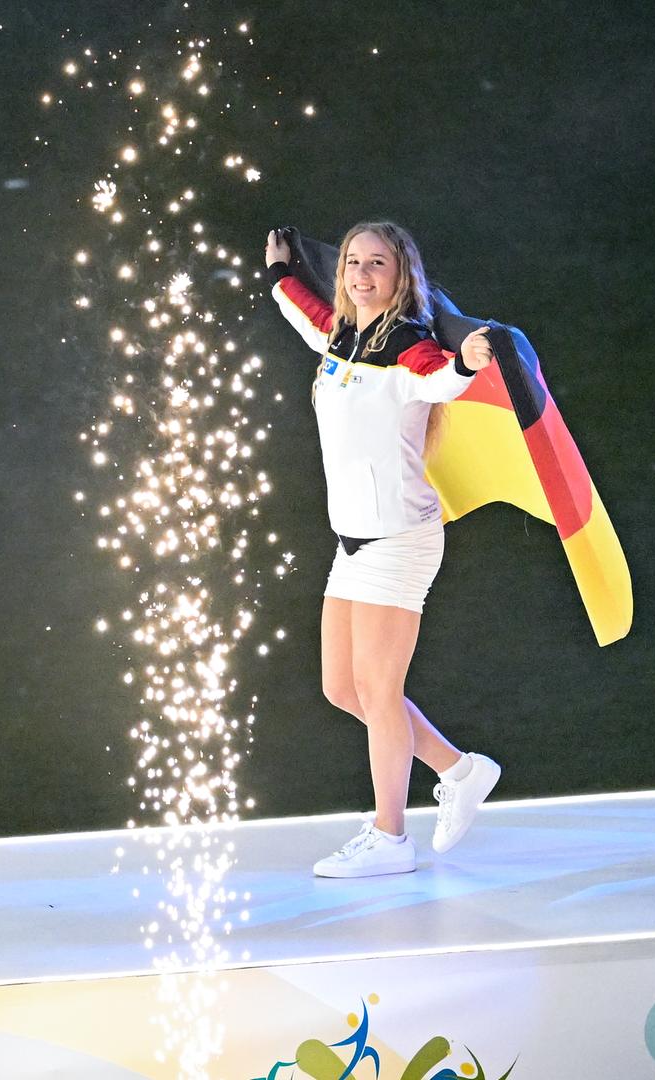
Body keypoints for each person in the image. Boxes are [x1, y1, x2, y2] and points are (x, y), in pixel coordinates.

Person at [265, 222, 504, 875]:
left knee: (378, 689)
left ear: (402, 278)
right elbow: (307, 313)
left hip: (398, 539)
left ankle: (390, 837)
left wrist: (469, 360)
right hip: (352, 541)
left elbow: (438, 378)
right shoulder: (341, 339)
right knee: (342, 688)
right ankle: (461, 770)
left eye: (378, 265)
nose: (363, 275)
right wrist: (281, 273)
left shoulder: (407, 348)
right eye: (352, 263)